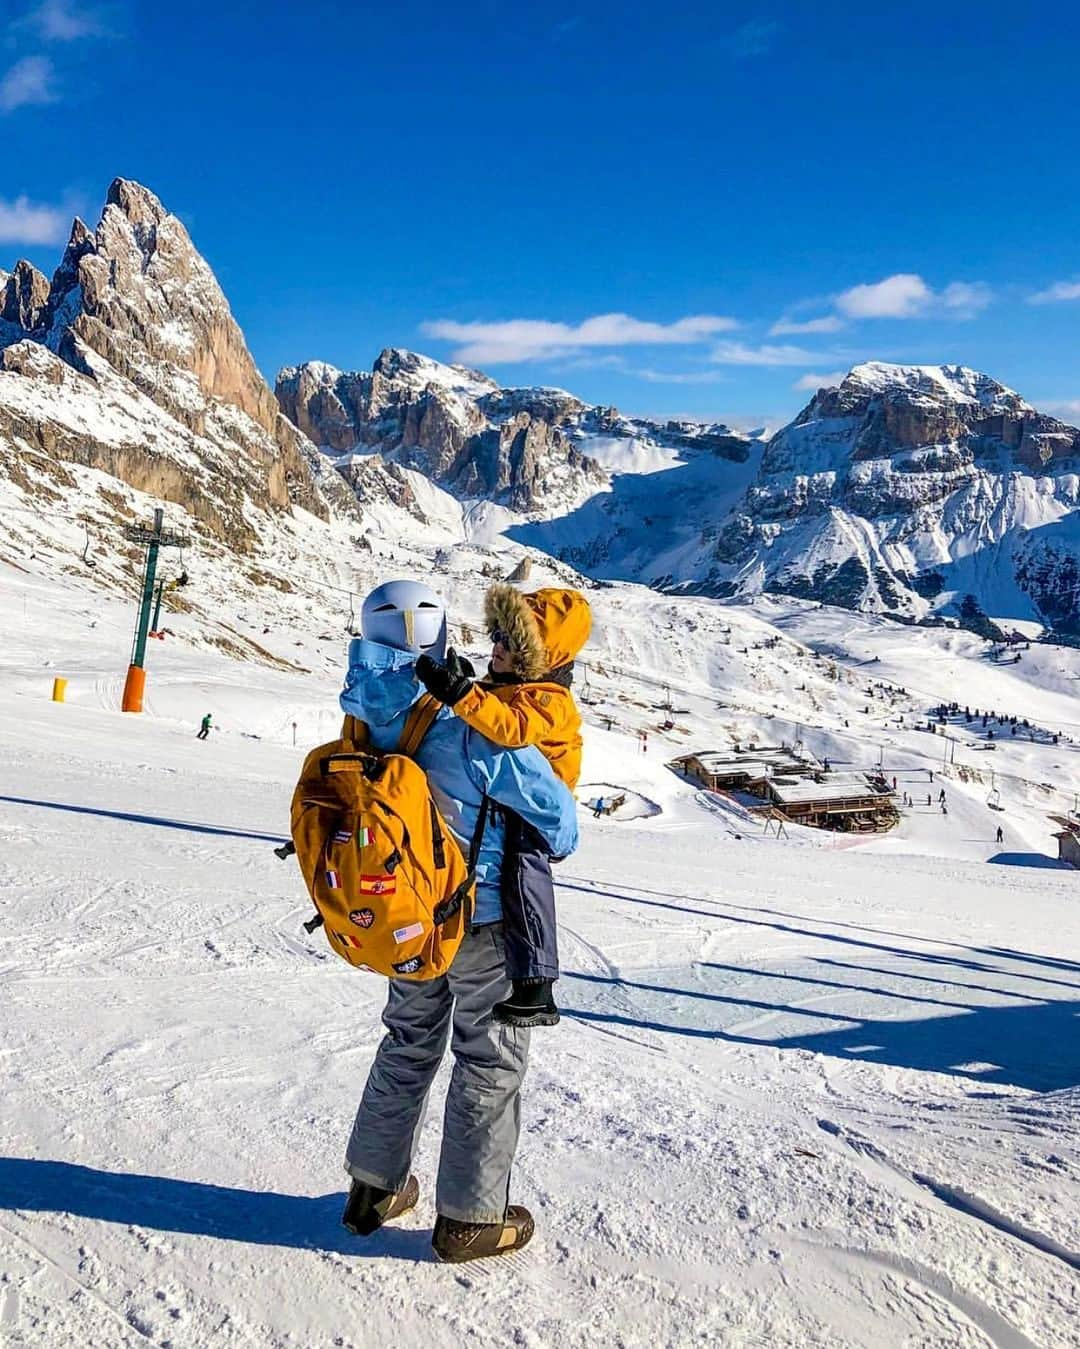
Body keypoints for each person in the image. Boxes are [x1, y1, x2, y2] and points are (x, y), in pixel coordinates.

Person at [337, 581, 578, 1264]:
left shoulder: (362, 715)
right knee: (487, 1062)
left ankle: (371, 1191)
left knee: (407, 1042)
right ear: (440, 640)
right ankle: (471, 1217)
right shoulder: (469, 728)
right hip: (481, 923)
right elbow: (562, 826)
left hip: (403, 919)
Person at [415, 584, 590, 1029]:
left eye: (509, 642)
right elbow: (485, 717)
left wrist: (461, 696)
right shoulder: (508, 686)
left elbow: (510, 730)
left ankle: (537, 984)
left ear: (537, 655)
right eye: (496, 634)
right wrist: (463, 686)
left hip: (535, 811)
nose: (496, 646)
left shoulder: (551, 699)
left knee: (526, 880)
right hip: (509, 808)